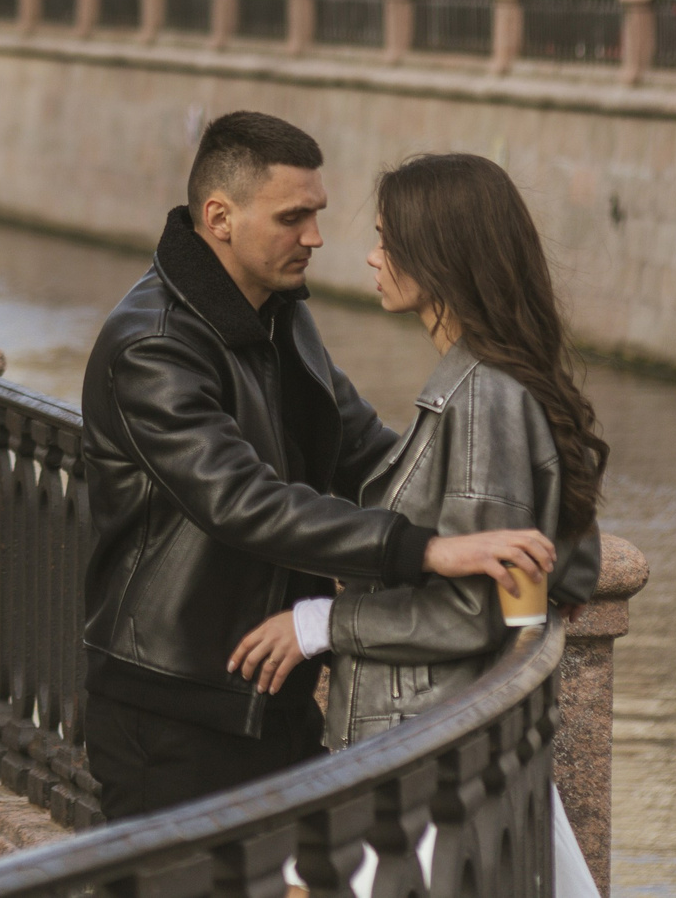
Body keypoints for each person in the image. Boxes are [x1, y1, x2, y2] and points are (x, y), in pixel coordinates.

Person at [80, 113, 557, 821]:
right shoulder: (151, 345)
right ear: (219, 218)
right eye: (292, 218)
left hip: (274, 684)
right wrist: (424, 548)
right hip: (178, 701)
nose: (315, 237)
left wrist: (481, 503)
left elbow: (362, 448)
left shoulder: (280, 314)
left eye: (317, 214)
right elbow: (243, 500)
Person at [226, 152, 607, 887]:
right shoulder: (486, 383)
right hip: (440, 746)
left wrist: (319, 624)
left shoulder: (481, 396)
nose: (372, 257)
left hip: (424, 752)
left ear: (440, 256)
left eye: (386, 240)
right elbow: (569, 562)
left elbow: (472, 610)